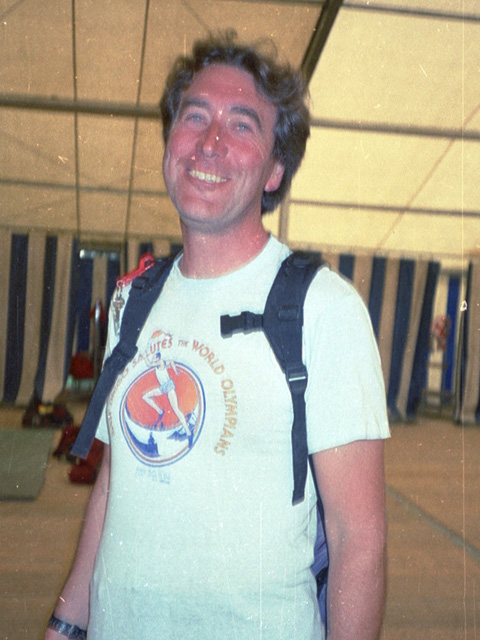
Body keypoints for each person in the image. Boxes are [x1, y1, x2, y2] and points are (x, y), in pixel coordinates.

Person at [45, 31, 390, 640]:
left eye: (242, 125)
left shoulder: (324, 308)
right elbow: (115, 483)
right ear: (170, 142)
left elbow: (358, 539)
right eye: (194, 116)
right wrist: (67, 623)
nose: (210, 141)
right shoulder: (134, 299)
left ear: (275, 170)